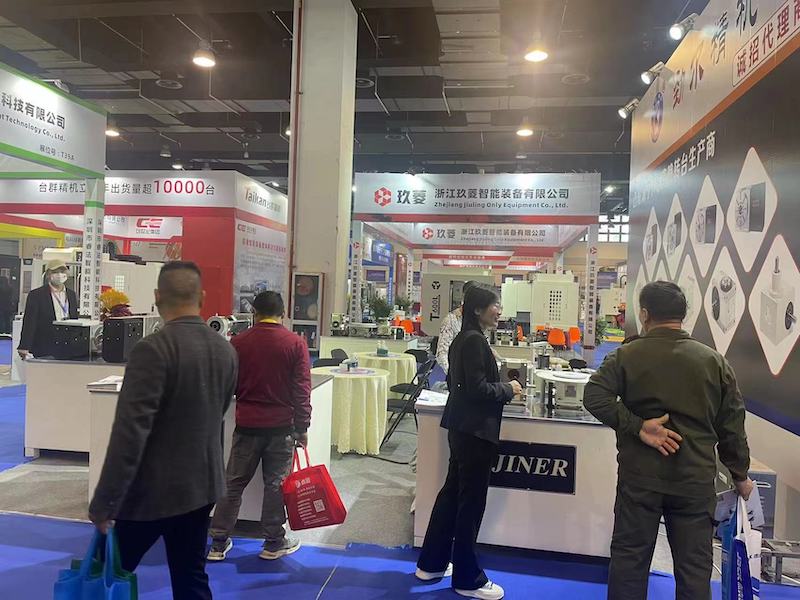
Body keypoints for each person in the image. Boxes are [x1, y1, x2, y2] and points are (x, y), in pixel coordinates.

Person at [584, 281, 753, 600]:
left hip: (639, 479)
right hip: (694, 481)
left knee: (629, 562)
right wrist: (740, 475)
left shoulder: (625, 356)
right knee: (694, 570)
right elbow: (732, 426)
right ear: (683, 315)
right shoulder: (714, 361)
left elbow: (594, 397)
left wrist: (637, 426)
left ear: (644, 314)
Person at [89, 261, 238, 600]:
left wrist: (105, 500)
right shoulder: (226, 350)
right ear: (202, 297)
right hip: (201, 486)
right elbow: (217, 412)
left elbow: (130, 434)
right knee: (191, 577)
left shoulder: (152, 349)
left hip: (151, 491)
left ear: (157, 297)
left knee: (106, 574)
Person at [416, 285, 523, 600]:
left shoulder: (461, 339)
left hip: (461, 428)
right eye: (495, 305)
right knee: (470, 504)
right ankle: (467, 578)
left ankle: (431, 563)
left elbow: (456, 383)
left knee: (451, 496)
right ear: (478, 309)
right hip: (476, 432)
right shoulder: (474, 341)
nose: (499, 311)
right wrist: (508, 389)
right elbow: (477, 389)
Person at [208, 291, 312, 562]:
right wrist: (302, 426)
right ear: (283, 313)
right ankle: (273, 543)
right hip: (281, 428)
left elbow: (226, 384)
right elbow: (301, 389)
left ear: (254, 312)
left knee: (233, 485)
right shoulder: (295, 344)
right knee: (275, 486)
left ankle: (218, 543)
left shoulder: (238, 342)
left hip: (246, 425)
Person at [18, 259, 78, 358]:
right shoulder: (36, 295)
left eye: (62, 271)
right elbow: (29, 322)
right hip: (44, 345)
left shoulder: (71, 294)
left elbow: (74, 319)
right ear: (48, 275)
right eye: (55, 272)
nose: (59, 274)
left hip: (68, 345)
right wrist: (24, 346)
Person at [436, 280, 480, 375]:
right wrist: (453, 375)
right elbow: (441, 353)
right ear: (464, 296)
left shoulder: (478, 320)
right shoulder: (451, 320)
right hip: (458, 376)